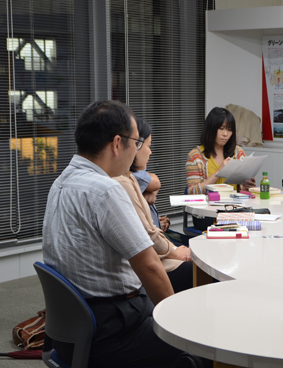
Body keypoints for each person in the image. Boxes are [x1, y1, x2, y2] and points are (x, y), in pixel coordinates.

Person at [42, 100, 198, 367]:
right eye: (137, 143)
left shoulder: (62, 182)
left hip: (72, 332)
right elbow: (149, 267)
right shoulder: (106, 190)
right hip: (111, 333)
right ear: (117, 143)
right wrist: (177, 323)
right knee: (202, 339)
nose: (138, 151)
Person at [114, 117, 193, 293]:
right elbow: (148, 234)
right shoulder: (124, 181)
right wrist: (174, 250)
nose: (150, 152)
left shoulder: (130, 178)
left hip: (155, 249)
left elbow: (154, 182)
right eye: (147, 146)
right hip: (150, 258)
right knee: (200, 269)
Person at [186, 107, 255, 194]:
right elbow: (192, 192)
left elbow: (241, 192)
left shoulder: (238, 152)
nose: (225, 134)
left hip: (233, 206)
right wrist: (219, 172)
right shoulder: (195, 156)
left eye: (229, 130)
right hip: (207, 206)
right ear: (211, 129)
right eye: (221, 128)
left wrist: (247, 187)